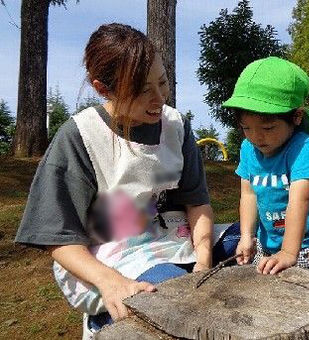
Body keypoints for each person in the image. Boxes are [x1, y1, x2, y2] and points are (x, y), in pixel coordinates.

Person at [15, 23, 240, 336]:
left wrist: (203, 262)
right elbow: (58, 237)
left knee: (258, 242)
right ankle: (104, 319)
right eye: (142, 90)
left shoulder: (175, 127)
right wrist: (111, 282)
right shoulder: (80, 136)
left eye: (162, 82)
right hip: (117, 253)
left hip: (177, 236)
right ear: (103, 89)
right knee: (172, 295)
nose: (159, 98)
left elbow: (197, 203)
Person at [222, 57, 309, 300]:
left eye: (268, 128)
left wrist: (288, 251)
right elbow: (249, 193)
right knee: (268, 303)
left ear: (295, 117)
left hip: (307, 247)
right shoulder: (248, 149)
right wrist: (246, 236)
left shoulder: (303, 149)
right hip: (267, 243)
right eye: (246, 128)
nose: (256, 137)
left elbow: (300, 200)